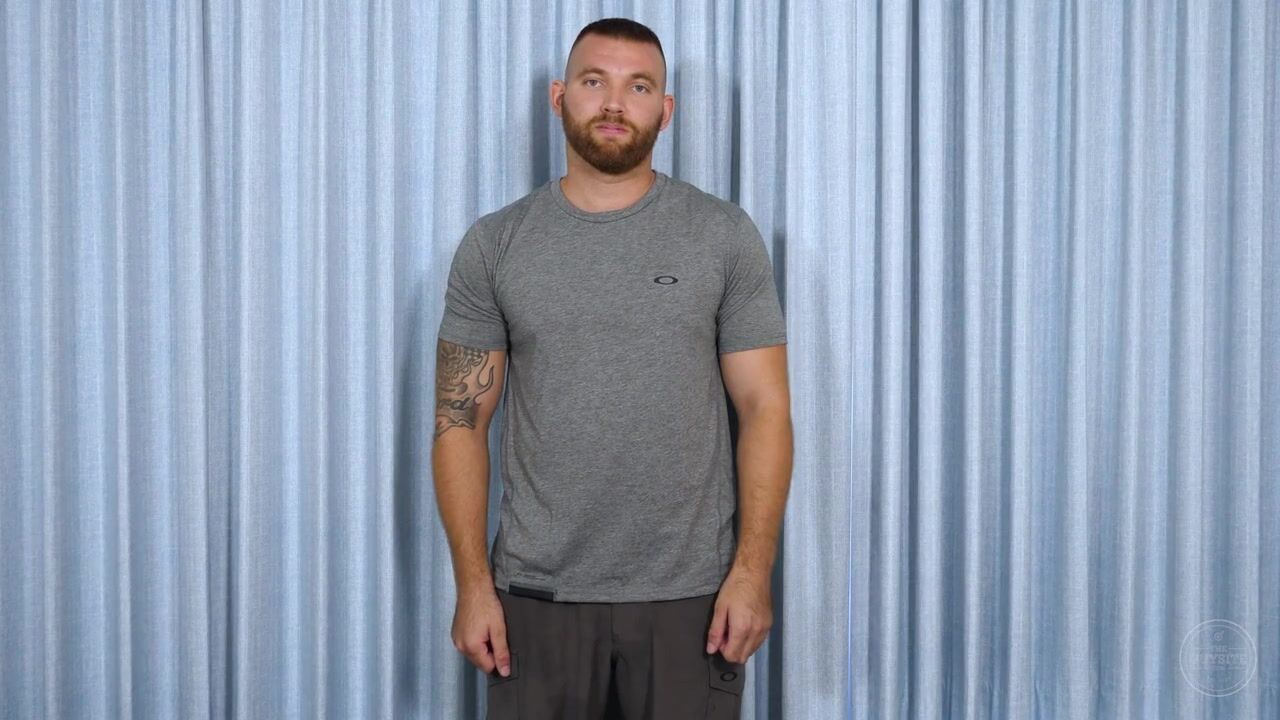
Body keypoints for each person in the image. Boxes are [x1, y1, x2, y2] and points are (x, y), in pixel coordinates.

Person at [432, 17, 792, 719]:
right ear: (559, 96)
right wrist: (473, 587)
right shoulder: (496, 244)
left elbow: (765, 410)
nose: (615, 103)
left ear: (667, 109)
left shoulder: (723, 236)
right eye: (594, 81)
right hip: (535, 598)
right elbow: (459, 422)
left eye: (640, 86)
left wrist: (752, 574)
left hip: (692, 601)